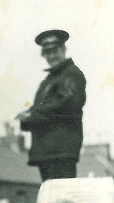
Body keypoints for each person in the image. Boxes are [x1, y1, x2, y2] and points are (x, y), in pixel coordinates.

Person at [16, 29, 87, 181]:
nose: (51, 56)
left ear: (64, 50)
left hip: (61, 151)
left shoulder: (71, 74)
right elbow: (48, 106)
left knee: (61, 196)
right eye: (47, 53)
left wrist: (31, 115)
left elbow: (67, 106)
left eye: (55, 51)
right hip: (49, 152)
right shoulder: (50, 79)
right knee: (53, 197)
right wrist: (28, 116)